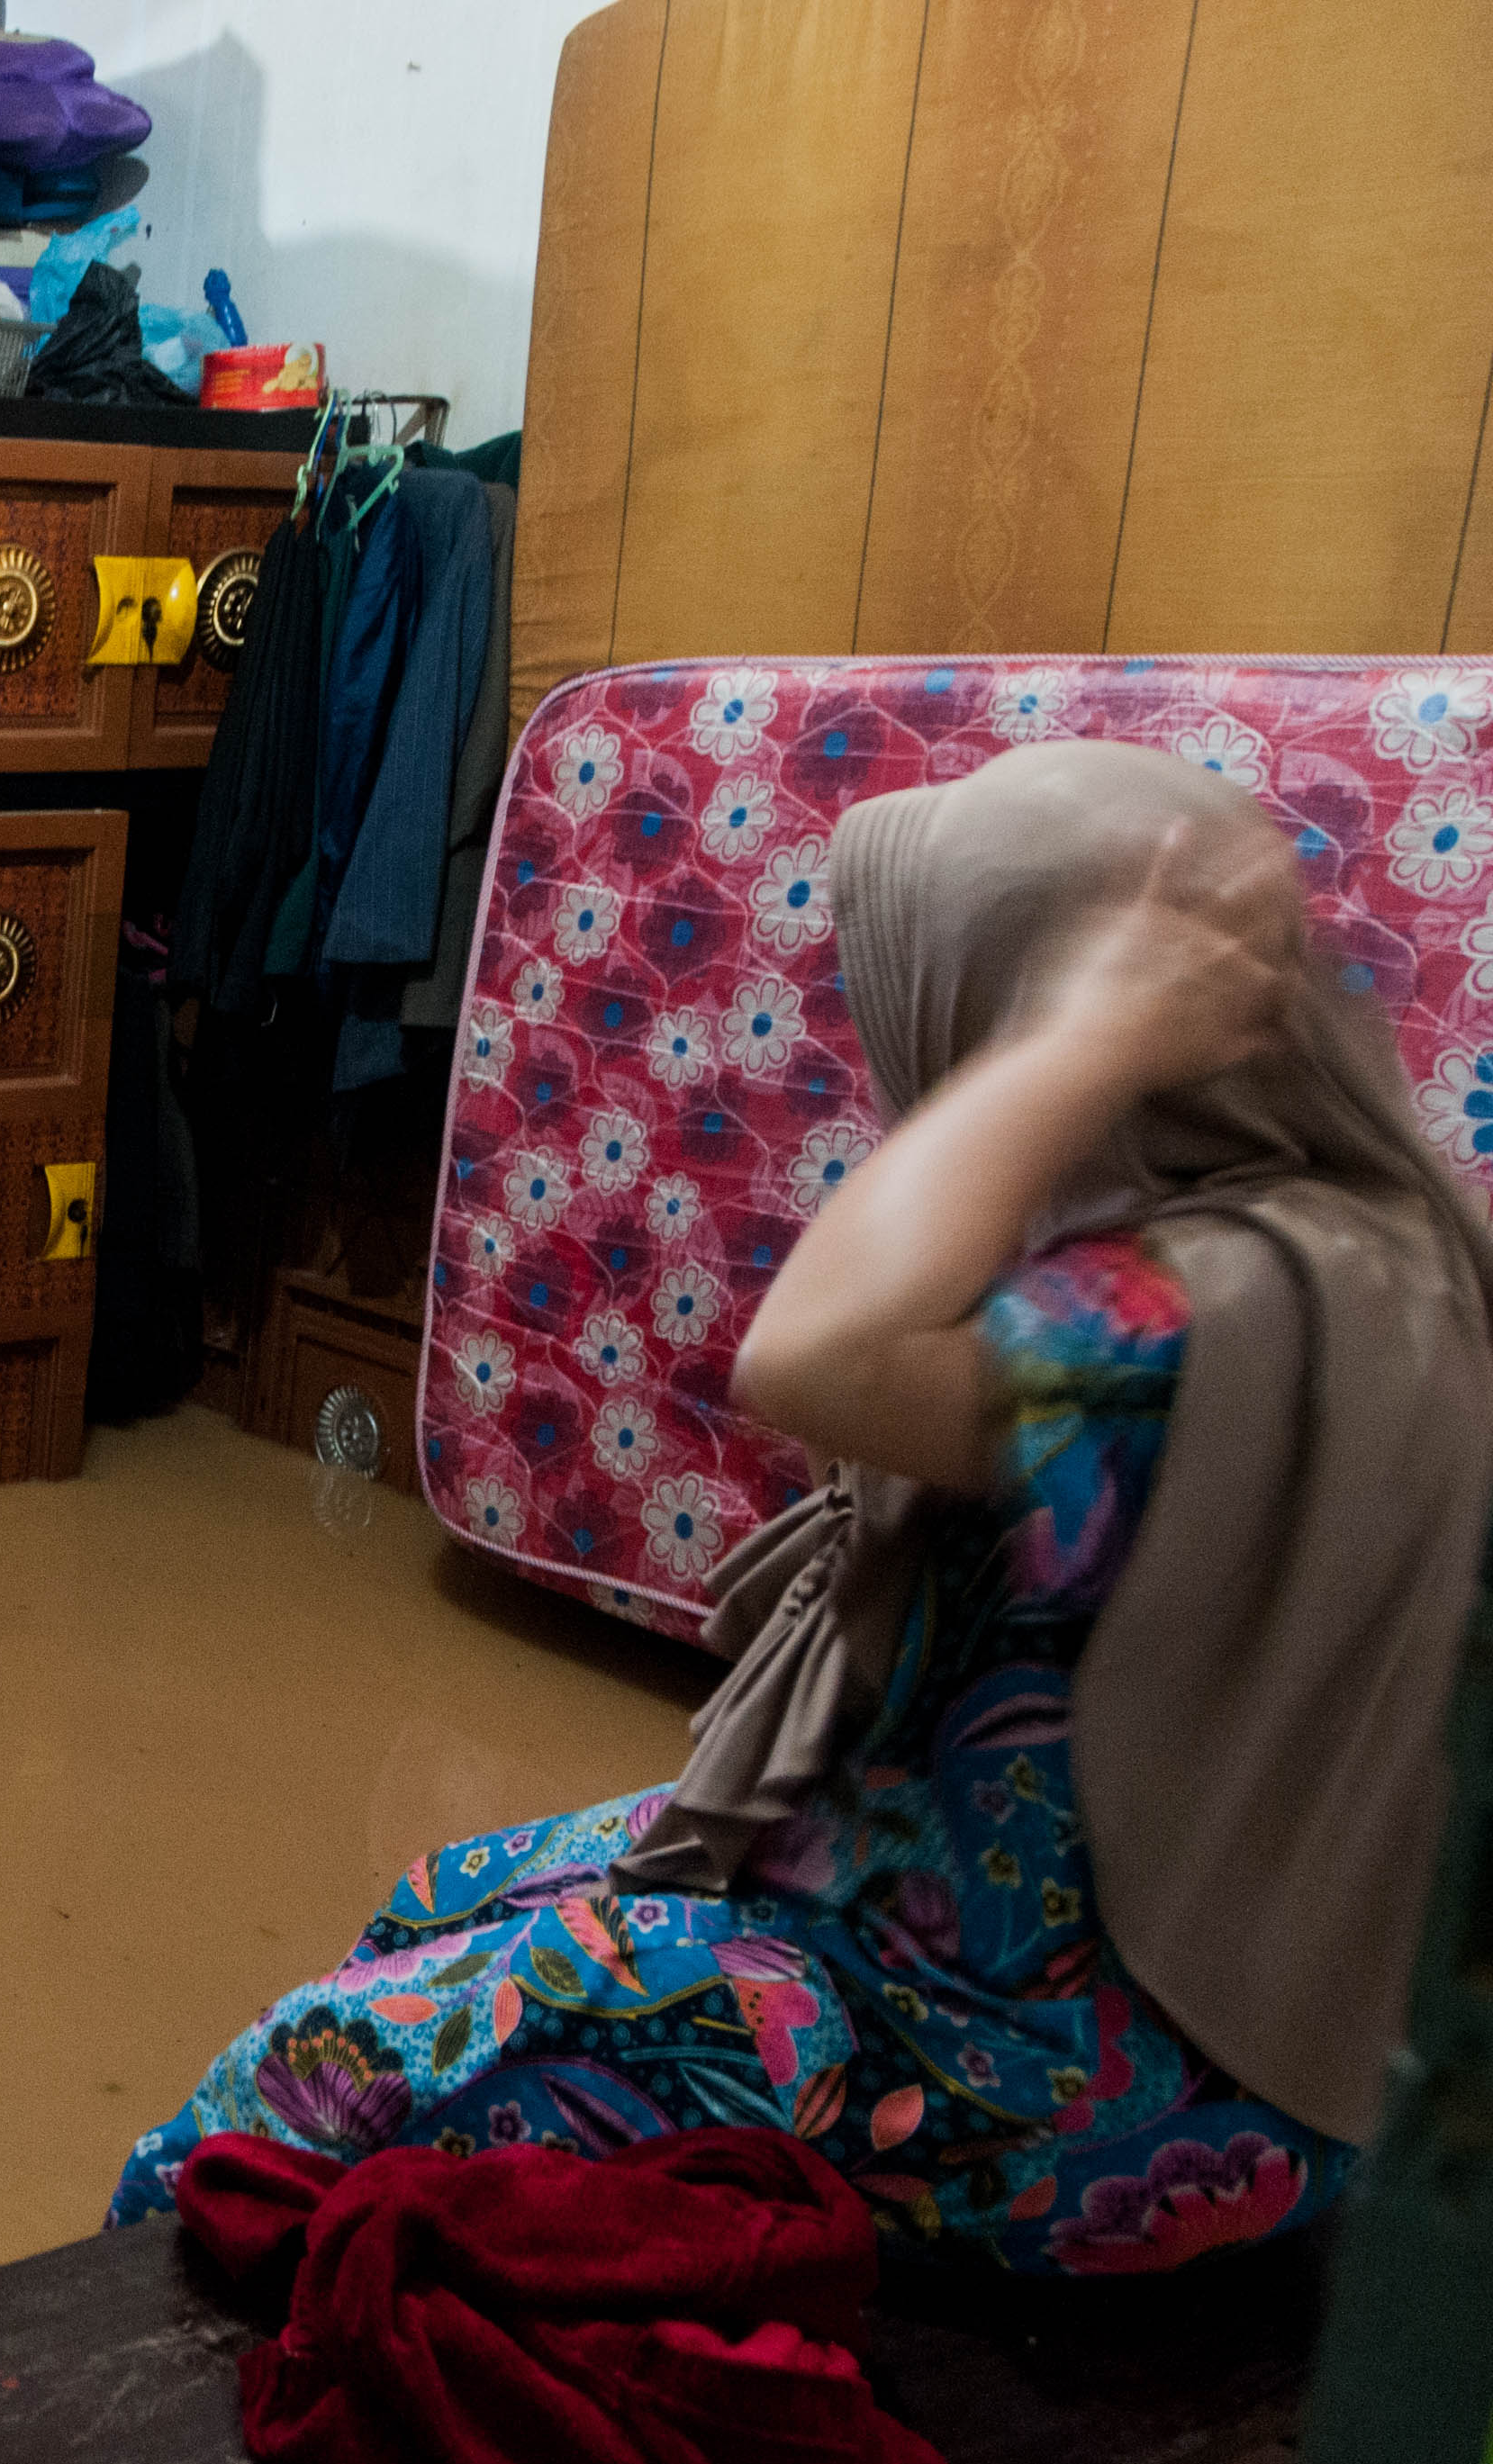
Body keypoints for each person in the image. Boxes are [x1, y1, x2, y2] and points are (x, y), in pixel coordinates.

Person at [109, 740, 1493, 2274]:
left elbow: (815, 1358)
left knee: (278, 2094)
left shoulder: (1177, 1320)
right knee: (440, 1895)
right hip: (1161, 1987)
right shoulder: (1390, 1244)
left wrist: (1075, 1041)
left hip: (1038, 2067)